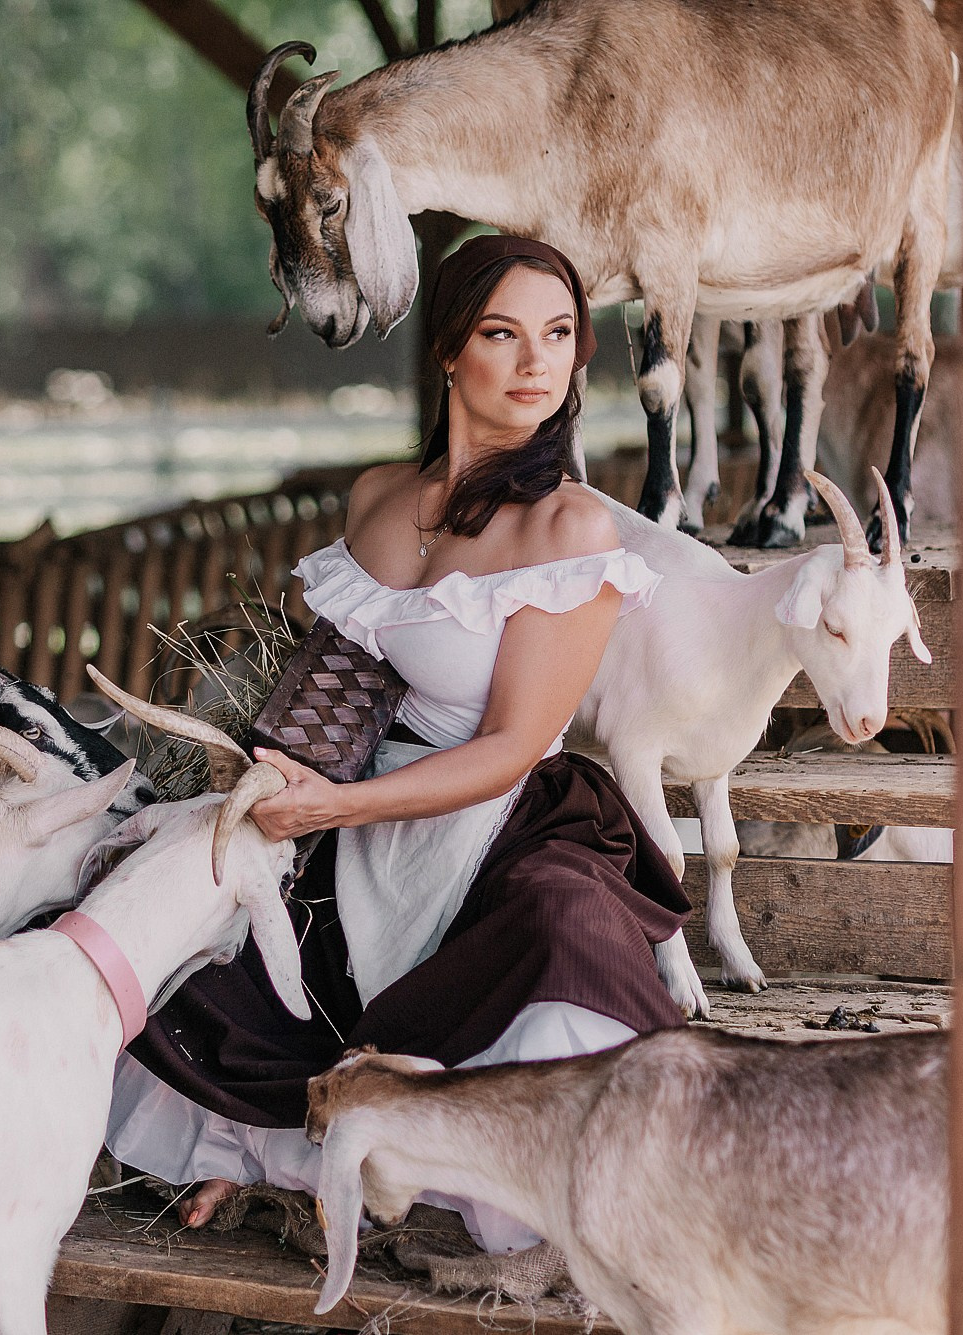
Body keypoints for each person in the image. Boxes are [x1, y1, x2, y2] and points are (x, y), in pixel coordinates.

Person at [105, 235, 690, 1252]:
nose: (534, 364)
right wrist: (281, 776)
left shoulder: (570, 531)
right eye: (501, 334)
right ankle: (253, 1147)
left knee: (558, 937)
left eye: (557, 336)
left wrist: (337, 807)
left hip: (500, 813)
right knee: (182, 914)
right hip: (357, 796)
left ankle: (482, 1164)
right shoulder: (378, 498)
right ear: (448, 353)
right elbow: (337, 689)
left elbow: (509, 746)